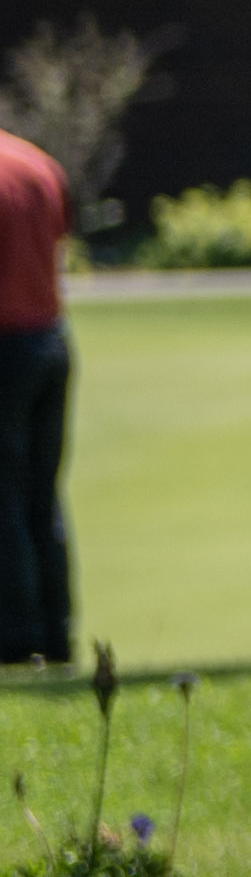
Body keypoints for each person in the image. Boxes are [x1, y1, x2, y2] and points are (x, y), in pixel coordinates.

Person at [0, 123, 64, 664]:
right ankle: (57, 633)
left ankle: (18, 644)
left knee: (4, 501)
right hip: (49, 343)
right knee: (42, 498)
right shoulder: (36, 162)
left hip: (4, 346)